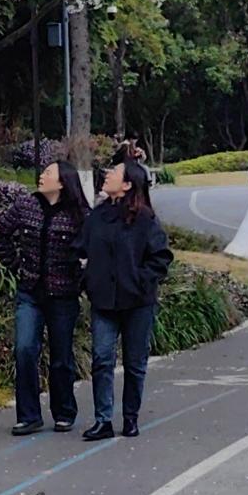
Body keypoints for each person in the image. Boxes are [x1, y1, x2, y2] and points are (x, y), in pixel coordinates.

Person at [0, 160, 89, 435]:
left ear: (62, 182)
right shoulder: (26, 205)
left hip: (63, 295)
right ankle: (29, 415)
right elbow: (0, 231)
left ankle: (64, 411)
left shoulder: (79, 214)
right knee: (24, 349)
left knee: (61, 356)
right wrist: (13, 264)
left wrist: (80, 278)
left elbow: (93, 247)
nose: (42, 176)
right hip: (30, 292)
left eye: (48, 173)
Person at [80, 157, 172, 442]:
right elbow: (81, 249)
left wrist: (140, 281)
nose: (108, 174)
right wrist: (88, 279)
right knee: (101, 358)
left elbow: (161, 257)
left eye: (115, 172)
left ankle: (130, 417)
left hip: (138, 303)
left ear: (128, 184)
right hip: (103, 301)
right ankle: (103, 420)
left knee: (134, 362)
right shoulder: (97, 216)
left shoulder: (145, 219)